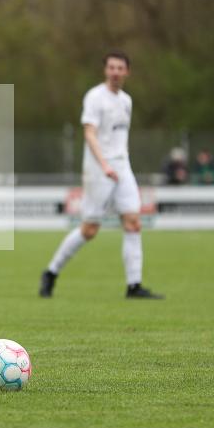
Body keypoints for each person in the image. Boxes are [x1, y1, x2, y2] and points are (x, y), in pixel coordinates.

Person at [39, 52, 163, 300]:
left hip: (122, 167)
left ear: (127, 72)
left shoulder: (126, 100)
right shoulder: (95, 97)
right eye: (111, 67)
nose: (115, 71)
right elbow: (90, 133)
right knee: (89, 229)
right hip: (99, 169)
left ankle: (134, 285)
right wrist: (104, 164)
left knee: (133, 222)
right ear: (105, 70)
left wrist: (119, 163)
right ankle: (51, 272)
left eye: (120, 68)